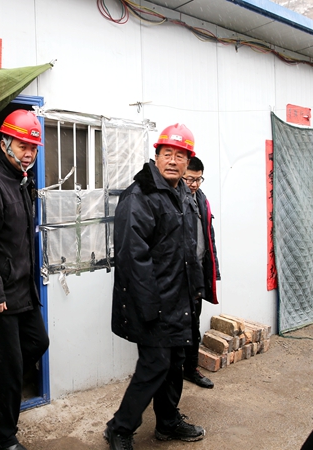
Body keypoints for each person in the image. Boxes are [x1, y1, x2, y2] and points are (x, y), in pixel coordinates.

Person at [104, 124, 206, 450]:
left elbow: (187, 249)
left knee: (174, 363)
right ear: (157, 156)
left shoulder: (181, 194)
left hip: (179, 299)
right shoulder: (140, 196)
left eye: (180, 156)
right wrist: (151, 309)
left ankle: (168, 421)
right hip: (153, 304)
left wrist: (195, 290)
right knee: (155, 365)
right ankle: (120, 428)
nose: (173, 161)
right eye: (168, 154)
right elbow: (132, 259)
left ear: (187, 161)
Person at [0, 109, 50, 450]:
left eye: (33, 147)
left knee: (38, 343)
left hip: (22, 290)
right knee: (12, 368)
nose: (28, 153)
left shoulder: (20, 181)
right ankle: (2, 437)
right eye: (22, 145)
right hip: (1, 295)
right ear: (5, 144)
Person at [182, 156, 221, 389]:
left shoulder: (202, 200)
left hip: (197, 274)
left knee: (194, 325)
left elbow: (209, 237)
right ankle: (172, 373)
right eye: (190, 179)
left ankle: (190, 369)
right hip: (179, 277)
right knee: (177, 328)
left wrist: (213, 270)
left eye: (198, 179)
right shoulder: (174, 200)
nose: (194, 184)